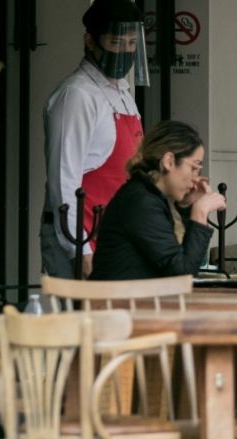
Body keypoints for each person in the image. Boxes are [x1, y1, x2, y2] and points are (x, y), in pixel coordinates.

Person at [41, 0, 150, 278]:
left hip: (117, 238)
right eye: (116, 41)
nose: (125, 50)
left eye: (131, 42)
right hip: (83, 238)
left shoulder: (124, 96)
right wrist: (81, 250)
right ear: (91, 40)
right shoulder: (77, 96)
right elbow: (63, 180)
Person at [89, 120, 226, 280]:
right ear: (169, 161)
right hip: (115, 303)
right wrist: (200, 213)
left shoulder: (146, 196)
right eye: (194, 168)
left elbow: (178, 261)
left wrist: (186, 207)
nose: (196, 179)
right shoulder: (141, 202)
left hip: (131, 301)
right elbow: (181, 274)